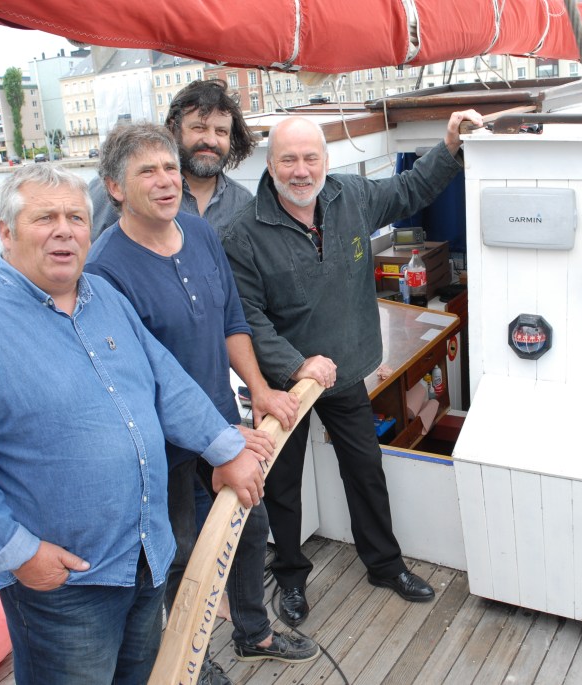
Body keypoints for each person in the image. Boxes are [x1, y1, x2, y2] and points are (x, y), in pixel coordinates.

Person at [0, 163, 274, 684]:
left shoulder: (105, 298)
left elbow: (166, 383)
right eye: (45, 218)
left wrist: (224, 448)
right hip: (65, 587)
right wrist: (19, 554)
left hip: (145, 558)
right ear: (6, 232)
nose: (65, 231)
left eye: (76, 218)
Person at [221, 109, 483, 627]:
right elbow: (247, 318)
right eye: (288, 160)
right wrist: (297, 365)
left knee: (365, 470)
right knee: (282, 486)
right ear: (270, 166)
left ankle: (384, 565)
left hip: (345, 371)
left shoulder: (353, 196)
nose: (301, 171)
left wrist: (451, 145)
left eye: (310, 158)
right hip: (283, 388)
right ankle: (290, 576)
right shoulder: (242, 235)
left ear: (326, 161)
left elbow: (410, 188)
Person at [85, 122, 318, 674]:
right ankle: (195, 659)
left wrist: (260, 390)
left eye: (170, 167)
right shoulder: (103, 270)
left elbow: (231, 319)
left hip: (225, 423)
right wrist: (215, 439)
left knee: (251, 526)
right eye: (147, 171)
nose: (166, 180)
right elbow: (135, 381)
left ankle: (254, 634)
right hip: (163, 448)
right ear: (115, 187)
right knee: (181, 553)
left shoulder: (200, 233)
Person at [89, 78, 255, 242]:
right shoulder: (120, 189)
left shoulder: (243, 202)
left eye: (221, 131)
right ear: (172, 127)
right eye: (199, 128)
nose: (211, 141)